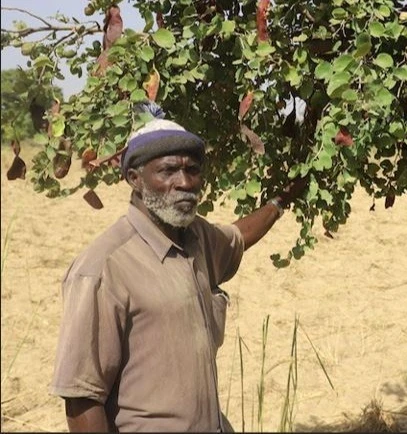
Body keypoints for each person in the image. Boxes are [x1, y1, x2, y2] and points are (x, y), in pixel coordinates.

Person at [49, 103, 306, 432]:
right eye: (168, 171)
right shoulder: (103, 269)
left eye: (192, 170)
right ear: (134, 179)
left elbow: (240, 235)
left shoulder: (196, 236)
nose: (184, 182)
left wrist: (282, 199)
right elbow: (82, 397)